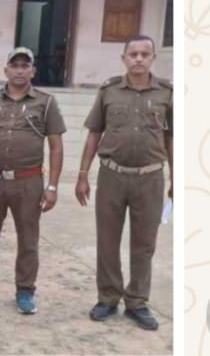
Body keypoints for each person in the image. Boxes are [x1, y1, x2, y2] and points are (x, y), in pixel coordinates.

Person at [75, 35, 173, 331]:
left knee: (144, 244)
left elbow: (171, 138)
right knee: (107, 240)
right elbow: (94, 133)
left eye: (145, 54)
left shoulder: (166, 93)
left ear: (153, 58)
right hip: (112, 176)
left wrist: (177, 178)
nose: (139, 59)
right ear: (124, 58)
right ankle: (108, 298)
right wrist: (83, 174)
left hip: (150, 178)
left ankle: (137, 302)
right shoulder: (109, 91)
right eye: (133, 54)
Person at [0, 47, 66, 315]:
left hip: (28, 182)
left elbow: (56, 147)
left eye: (24, 66)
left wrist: (52, 186)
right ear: (5, 70)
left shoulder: (46, 103)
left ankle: (25, 291)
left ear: (33, 71)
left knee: (28, 240)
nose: (19, 70)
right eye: (14, 65)